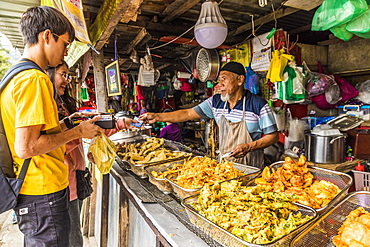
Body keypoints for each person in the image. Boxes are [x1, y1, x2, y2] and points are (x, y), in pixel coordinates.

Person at [0, 6, 104, 246]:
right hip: (42, 192)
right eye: (65, 44)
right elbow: (27, 146)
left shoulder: (16, 75)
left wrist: (66, 124)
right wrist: (78, 132)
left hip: (35, 192)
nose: (66, 52)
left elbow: (35, 132)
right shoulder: (34, 79)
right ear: (47, 36)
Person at [46, 61, 136, 247]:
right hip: (60, 184)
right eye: (62, 75)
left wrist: (121, 123)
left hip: (75, 179)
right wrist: (78, 135)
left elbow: (91, 127)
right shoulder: (46, 108)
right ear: (47, 74)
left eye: (68, 76)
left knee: (73, 234)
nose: (67, 80)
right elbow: (49, 147)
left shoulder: (63, 105)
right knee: (71, 240)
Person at [140, 62, 279, 168]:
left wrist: (249, 146)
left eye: (224, 79)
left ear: (240, 80)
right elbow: (187, 113)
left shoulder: (258, 104)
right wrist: (157, 117)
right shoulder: (216, 102)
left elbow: (272, 136)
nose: (220, 84)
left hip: (251, 165)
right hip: (226, 165)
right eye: (219, 80)